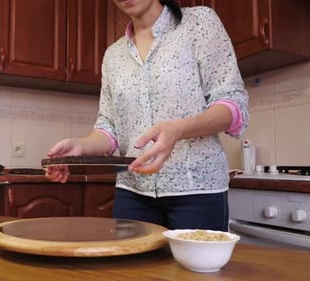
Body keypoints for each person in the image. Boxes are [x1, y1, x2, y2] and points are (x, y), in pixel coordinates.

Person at [45, 0, 248, 231]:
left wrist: (178, 130)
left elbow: (232, 104)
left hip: (197, 189)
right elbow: (108, 127)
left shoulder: (199, 23)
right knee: (132, 268)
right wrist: (79, 147)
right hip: (132, 192)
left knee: (195, 268)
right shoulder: (113, 56)